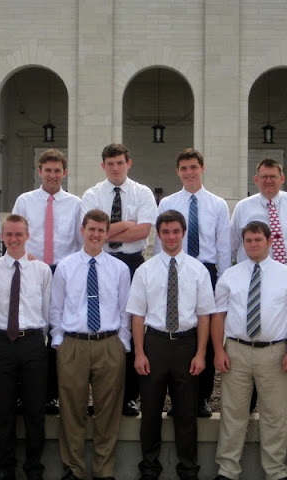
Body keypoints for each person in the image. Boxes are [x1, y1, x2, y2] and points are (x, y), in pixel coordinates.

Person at [212, 221, 287, 480]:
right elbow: (218, 316)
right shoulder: (230, 276)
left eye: (258, 240)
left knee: (274, 415)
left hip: (274, 353)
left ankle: (276, 472)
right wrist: (219, 351)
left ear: (269, 241)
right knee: (232, 414)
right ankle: (227, 470)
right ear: (243, 243)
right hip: (236, 351)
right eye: (248, 240)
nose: (253, 244)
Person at [127, 210, 215, 480]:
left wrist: (201, 354)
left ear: (183, 233)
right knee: (150, 411)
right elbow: (137, 315)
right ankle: (149, 467)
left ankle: (187, 468)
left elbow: (204, 316)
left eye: (176, 231)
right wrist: (139, 353)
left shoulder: (198, 270)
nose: (171, 237)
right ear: (158, 234)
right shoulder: (145, 270)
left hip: (186, 345)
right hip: (154, 344)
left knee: (186, 413)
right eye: (165, 232)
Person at [230, 158, 287, 418]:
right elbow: (234, 243)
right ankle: (250, 400)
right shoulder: (244, 207)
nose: (269, 181)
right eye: (264, 176)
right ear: (256, 180)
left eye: (273, 176)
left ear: (282, 178)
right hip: (253, 278)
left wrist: (285, 268)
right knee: (256, 334)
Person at [49, 209, 131, 480]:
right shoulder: (66, 266)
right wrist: (59, 341)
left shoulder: (119, 269)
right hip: (74, 344)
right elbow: (56, 307)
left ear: (107, 234)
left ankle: (103, 470)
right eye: (91, 229)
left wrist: (121, 343)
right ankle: (73, 469)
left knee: (108, 411)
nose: (96, 234)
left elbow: (125, 310)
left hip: (108, 344)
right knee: (71, 410)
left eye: (101, 230)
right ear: (82, 230)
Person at [80, 143, 158, 416]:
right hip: (100, 263)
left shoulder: (142, 193)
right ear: (103, 166)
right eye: (110, 163)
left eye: (120, 163)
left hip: (132, 263)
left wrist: (106, 231)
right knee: (101, 324)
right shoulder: (92, 194)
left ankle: (129, 396)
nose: (115, 168)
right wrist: (126, 224)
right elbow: (90, 234)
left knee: (132, 325)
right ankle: (98, 395)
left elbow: (143, 231)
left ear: (129, 163)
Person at [154, 148, 230, 418]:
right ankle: (178, 399)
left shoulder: (218, 205)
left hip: (207, 272)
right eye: (184, 168)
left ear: (202, 168)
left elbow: (223, 247)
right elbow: (159, 244)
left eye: (193, 167)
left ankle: (202, 398)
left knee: (205, 337)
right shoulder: (167, 203)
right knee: (181, 335)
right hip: (176, 270)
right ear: (178, 172)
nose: (189, 173)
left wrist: (223, 284)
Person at [0, 214, 52, 480]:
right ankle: (5, 469)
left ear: (27, 236)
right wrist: (3, 334)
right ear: (2, 236)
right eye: (9, 234)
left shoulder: (41, 270)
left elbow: (47, 309)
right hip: (3, 344)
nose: (14, 239)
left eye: (19, 234)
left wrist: (35, 336)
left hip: (33, 344)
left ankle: (34, 469)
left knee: (35, 411)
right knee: (4, 410)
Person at [12, 148, 81, 414]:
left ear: (65, 173)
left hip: (63, 272)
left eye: (57, 171)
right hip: (32, 271)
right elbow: (15, 234)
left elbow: (80, 241)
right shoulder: (25, 201)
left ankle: (51, 394)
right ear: (39, 171)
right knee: (29, 332)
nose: (52, 175)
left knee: (56, 333)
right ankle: (23, 393)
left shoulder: (75, 204)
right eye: (48, 170)